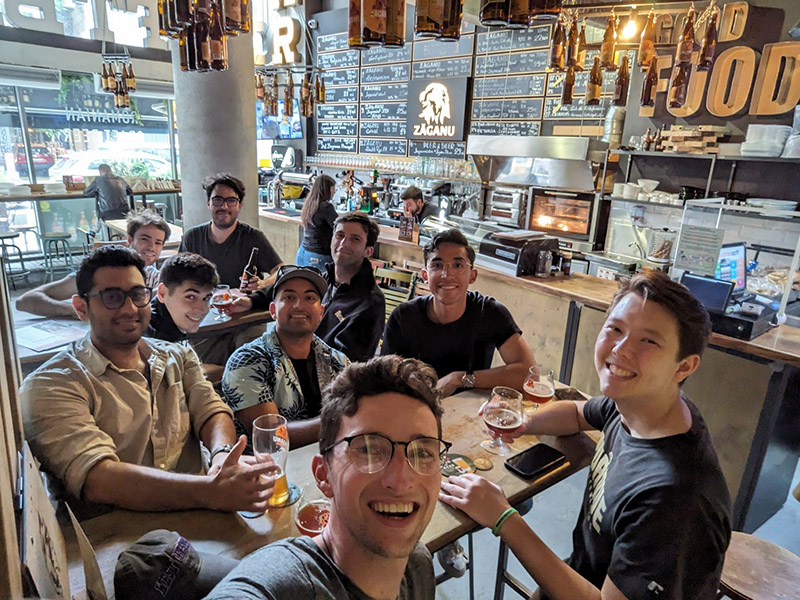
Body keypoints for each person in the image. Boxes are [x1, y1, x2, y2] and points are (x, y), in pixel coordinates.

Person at [439, 271, 732, 600]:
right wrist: (524, 422)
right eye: (616, 329)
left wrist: (503, 517)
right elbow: (578, 413)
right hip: (578, 576)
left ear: (684, 366)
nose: (621, 349)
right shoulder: (641, 405)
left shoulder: (676, 500)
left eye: (649, 341)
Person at [20, 245, 276, 514]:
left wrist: (222, 455)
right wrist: (209, 491)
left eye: (137, 294)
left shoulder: (178, 355)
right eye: (112, 297)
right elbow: (98, 477)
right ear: (81, 308)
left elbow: (211, 410)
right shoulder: (51, 385)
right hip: (118, 531)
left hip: (201, 513)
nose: (130, 308)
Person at [207, 355, 446, 600]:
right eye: (368, 449)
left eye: (423, 453)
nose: (400, 481)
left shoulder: (417, 566)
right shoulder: (277, 587)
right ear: (323, 475)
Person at [382, 228, 537, 398]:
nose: (447, 274)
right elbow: (384, 381)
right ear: (425, 275)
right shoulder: (403, 317)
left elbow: (529, 374)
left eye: (458, 265)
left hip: (469, 410)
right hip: (415, 406)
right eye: (437, 265)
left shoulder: (489, 312)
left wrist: (460, 378)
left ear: (472, 275)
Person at [222, 265, 349, 451]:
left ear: (321, 313)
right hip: (267, 466)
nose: (299, 305)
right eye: (289, 297)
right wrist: (344, 422)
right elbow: (271, 435)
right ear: (273, 310)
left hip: (327, 461)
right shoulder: (246, 361)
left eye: (309, 298)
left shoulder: (338, 361)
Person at [231, 212, 384, 362]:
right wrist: (250, 301)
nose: (344, 243)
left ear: (368, 251)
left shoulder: (369, 302)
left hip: (322, 373)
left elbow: (348, 362)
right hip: (291, 361)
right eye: (340, 235)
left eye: (355, 239)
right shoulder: (324, 279)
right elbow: (286, 286)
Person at [16, 208, 169, 317]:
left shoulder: (156, 279)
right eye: (144, 239)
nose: (151, 247)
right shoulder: (100, 272)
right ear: (129, 239)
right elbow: (24, 301)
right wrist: (77, 309)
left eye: (158, 242)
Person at [179, 173, 282, 291]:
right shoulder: (192, 238)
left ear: (239, 205)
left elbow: (279, 270)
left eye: (231, 200)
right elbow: (178, 275)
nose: (224, 207)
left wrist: (263, 284)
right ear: (208, 203)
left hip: (244, 301)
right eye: (218, 200)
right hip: (203, 302)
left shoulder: (253, 237)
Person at [147, 252, 219, 343]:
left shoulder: (170, 330)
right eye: (190, 297)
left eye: (206, 299)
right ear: (162, 293)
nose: (202, 309)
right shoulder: (152, 344)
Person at [296, 174, 337, 268]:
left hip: (303, 252)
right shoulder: (326, 207)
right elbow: (339, 227)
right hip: (318, 255)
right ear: (326, 189)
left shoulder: (309, 204)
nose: (334, 192)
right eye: (332, 188)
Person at [83, 163, 133, 237]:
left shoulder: (98, 180)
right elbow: (130, 191)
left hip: (107, 215)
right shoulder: (120, 179)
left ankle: (94, 234)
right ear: (111, 171)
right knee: (100, 218)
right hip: (125, 214)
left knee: (100, 215)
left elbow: (86, 193)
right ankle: (95, 231)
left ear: (100, 172)